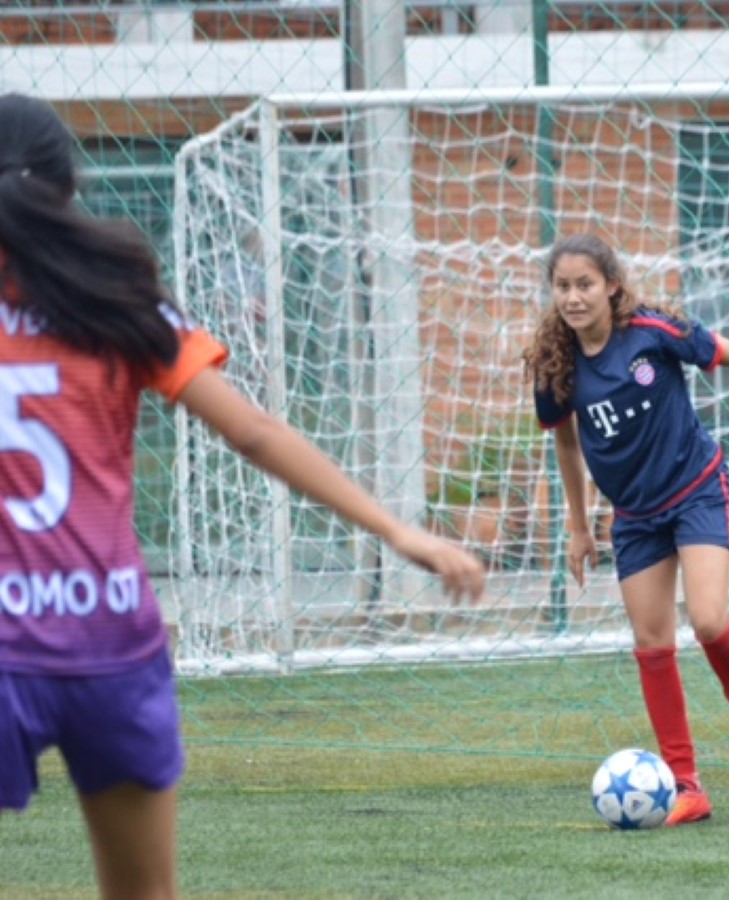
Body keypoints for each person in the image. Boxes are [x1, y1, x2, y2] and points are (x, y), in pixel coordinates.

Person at [0, 93, 486, 899]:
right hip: (109, 645)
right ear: (66, 188)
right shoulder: (118, 302)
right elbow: (255, 431)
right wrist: (399, 532)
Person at [524, 233, 729, 826]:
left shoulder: (653, 334)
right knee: (652, 645)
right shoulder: (554, 363)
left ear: (611, 286)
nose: (574, 297)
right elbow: (564, 438)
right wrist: (578, 526)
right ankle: (685, 784)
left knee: (709, 618)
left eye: (585, 284)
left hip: (696, 491)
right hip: (634, 517)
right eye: (562, 287)